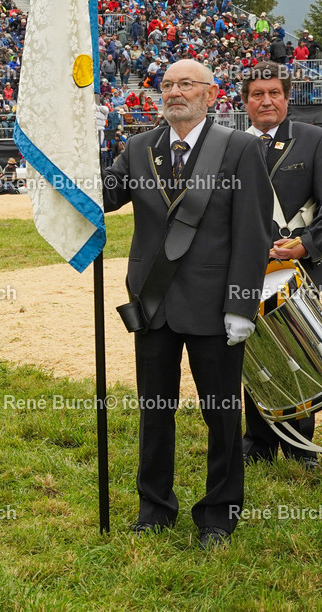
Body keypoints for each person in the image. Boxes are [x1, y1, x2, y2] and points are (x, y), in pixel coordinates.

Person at [103, 60, 271, 550]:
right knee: (155, 411)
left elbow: (254, 232)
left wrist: (242, 303)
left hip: (216, 307)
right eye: (168, 85)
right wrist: (67, 159)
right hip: (153, 303)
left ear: (211, 95)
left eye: (186, 84)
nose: (175, 92)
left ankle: (219, 515)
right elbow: (108, 195)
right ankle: (154, 507)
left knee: (221, 415)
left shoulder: (240, 148)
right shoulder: (139, 147)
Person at [240, 61, 322, 469]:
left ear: (287, 99)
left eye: (274, 93)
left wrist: (305, 245)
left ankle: (299, 443)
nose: (267, 101)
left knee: (295, 350)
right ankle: (257, 441)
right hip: (247, 272)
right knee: (252, 350)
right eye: (258, 94)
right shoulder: (231, 145)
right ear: (246, 102)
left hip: (299, 272)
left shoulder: (313, 140)